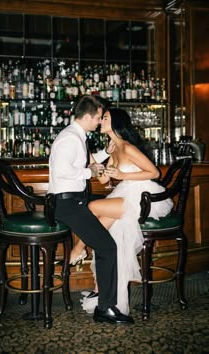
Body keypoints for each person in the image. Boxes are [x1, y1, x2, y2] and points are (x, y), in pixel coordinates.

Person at [71, 107, 174, 315]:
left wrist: (122, 174)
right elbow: (103, 179)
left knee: (92, 207)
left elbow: (154, 172)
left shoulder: (127, 147)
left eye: (105, 118)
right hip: (125, 194)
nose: (100, 121)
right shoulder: (114, 149)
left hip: (142, 197)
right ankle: (101, 288)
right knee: (104, 232)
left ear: (115, 123)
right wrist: (90, 156)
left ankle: (78, 248)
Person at [47, 95, 134, 324]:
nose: (99, 122)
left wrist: (106, 153)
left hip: (74, 200)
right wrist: (91, 173)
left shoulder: (77, 136)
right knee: (107, 247)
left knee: (106, 214)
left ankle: (81, 251)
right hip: (67, 204)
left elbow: (84, 163)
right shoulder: (70, 139)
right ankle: (105, 308)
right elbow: (63, 172)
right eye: (97, 117)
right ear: (87, 117)